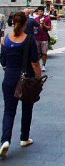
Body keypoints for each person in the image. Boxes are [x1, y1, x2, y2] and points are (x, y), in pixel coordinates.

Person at [0, 12, 42, 158]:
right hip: (26, 79)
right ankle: (24, 138)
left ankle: (5, 141)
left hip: (9, 79)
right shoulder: (29, 40)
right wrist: (39, 77)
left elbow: (3, 61)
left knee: (9, 111)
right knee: (27, 108)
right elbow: (35, 62)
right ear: (25, 24)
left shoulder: (5, 39)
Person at [34, 6, 51, 72]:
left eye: (41, 11)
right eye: (39, 11)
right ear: (37, 12)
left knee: (44, 53)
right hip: (37, 38)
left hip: (44, 38)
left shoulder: (47, 19)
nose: (40, 12)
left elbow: (49, 28)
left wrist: (43, 25)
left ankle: (43, 65)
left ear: (43, 12)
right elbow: (33, 28)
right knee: (37, 53)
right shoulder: (35, 19)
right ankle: (37, 65)